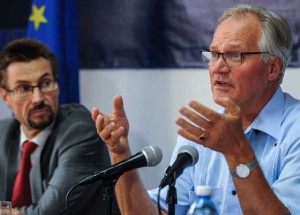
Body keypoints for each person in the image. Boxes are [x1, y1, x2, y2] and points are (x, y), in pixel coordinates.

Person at [92, 3, 300, 215]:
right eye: (214, 55)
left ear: (272, 68)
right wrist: (121, 154)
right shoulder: (201, 134)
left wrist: (237, 152)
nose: (218, 67)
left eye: (235, 55)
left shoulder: (296, 132)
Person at [0, 38, 112, 215]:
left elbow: (48, 213)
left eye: (45, 84)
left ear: (57, 86)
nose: (37, 98)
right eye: (23, 88)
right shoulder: (3, 133)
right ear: (5, 97)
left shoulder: (81, 131)